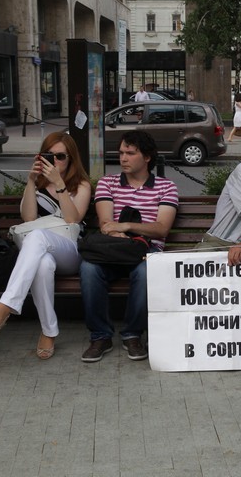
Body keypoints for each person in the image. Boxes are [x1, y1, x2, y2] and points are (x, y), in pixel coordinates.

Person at [0, 132, 91, 359]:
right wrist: (30, 181)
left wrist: (59, 185)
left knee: (37, 236)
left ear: (71, 159)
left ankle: (6, 306)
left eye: (60, 156)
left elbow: (73, 219)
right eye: (49, 155)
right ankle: (49, 331)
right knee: (43, 264)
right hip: (42, 251)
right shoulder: (37, 184)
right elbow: (28, 217)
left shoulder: (81, 185)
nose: (55, 161)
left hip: (69, 251)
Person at [79, 130, 178, 362]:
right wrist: (119, 231)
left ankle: (133, 334)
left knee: (146, 272)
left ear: (147, 157)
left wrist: (125, 226)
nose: (123, 158)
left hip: (147, 251)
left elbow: (162, 228)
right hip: (112, 250)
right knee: (88, 269)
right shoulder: (107, 183)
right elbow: (105, 224)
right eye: (121, 152)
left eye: (130, 153)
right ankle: (100, 336)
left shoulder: (166, 187)